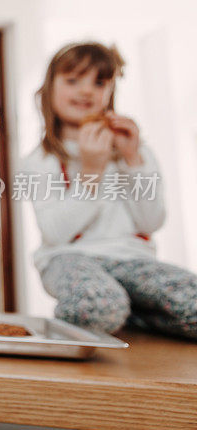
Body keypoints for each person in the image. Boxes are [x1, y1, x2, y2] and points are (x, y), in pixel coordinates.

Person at [22, 42, 197, 339]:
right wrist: (91, 171)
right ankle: (125, 311)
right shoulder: (41, 160)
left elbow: (150, 222)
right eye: (73, 80)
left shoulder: (135, 150)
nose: (87, 90)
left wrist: (133, 160)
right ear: (49, 90)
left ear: (110, 93)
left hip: (133, 261)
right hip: (69, 259)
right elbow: (54, 232)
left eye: (99, 82)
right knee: (98, 305)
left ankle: (133, 314)